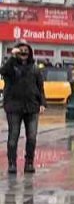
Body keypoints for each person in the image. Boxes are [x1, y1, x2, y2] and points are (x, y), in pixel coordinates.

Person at [2, 40, 46, 174]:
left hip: (32, 107)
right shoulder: (11, 67)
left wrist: (43, 103)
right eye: (20, 50)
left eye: (26, 50)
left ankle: (29, 163)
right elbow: (2, 71)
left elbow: (40, 87)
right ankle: (12, 163)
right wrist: (12, 57)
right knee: (13, 137)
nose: (23, 53)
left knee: (32, 137)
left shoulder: (35, 68)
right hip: (14, 107)